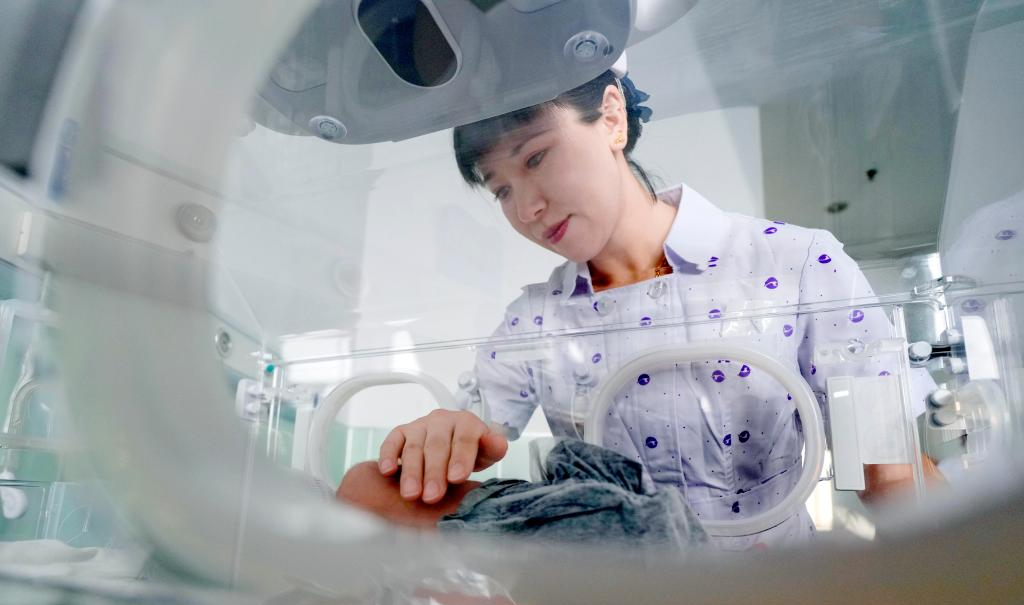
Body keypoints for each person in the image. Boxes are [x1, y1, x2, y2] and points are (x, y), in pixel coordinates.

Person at [339, 64, 941, 548]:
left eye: (535, 157)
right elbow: (472, 433)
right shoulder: (535, 321)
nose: (526, 208)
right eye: (501, 190)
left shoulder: (797, 263)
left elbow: (889, 473)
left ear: (611, 117)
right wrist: (446, 436)